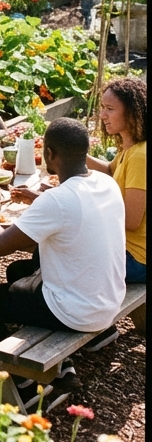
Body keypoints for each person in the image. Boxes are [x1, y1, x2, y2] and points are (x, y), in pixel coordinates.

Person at [0, 118, 125, 392]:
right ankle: (63, 366)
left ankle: (22, 381)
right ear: (85, 151)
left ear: (50, 154)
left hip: (76, 312)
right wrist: (39, 199)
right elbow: (71, 212)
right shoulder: (105, 182)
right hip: (109, 301)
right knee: (19, 272)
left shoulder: (57, 200)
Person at [87, 77, 146, 286]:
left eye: (110, 109)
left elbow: (131, 220)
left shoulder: (140, 156)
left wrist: (87, 208)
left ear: (131, 112)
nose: (102, 115)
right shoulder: (129, 149)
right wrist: (73, 151)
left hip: (136, 259)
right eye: (103, 107)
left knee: (60, 251)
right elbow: (110, 171)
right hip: (124, 248)